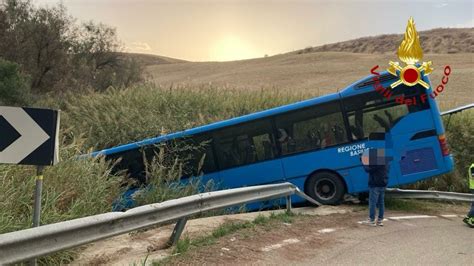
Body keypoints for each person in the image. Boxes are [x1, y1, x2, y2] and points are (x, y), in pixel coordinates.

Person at [360, 148, 390, 226]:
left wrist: (363, 161)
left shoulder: (376, 162)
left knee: (373, 202)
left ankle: (371, 220)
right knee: (381, 202)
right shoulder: (385, 161)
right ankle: (380, 220)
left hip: (375, 184)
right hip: (383, 183)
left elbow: (367, 169)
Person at [462, 163, 474, 228]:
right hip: (473, 187)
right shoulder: (473, 166)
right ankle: (470, 220)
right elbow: (473, 176)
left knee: (473, 204)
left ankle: (468, 218)